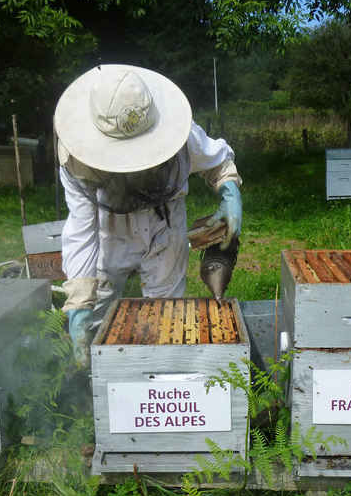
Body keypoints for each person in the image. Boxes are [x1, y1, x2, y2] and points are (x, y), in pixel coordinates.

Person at [53, 64, 242, 364]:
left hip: (164, 224)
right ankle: (93, 386)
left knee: (167, 316)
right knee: (95, 314)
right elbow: (81, 229)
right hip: (110, 233)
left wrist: (229, 192)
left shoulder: (180, 130)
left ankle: (162, 376)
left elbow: (216, 161)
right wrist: (79, 300)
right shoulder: (78, 159)